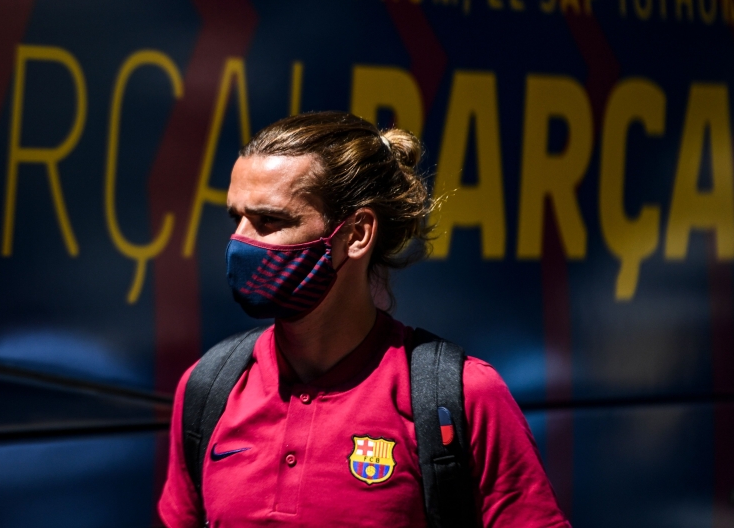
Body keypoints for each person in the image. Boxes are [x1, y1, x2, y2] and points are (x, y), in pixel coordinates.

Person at [159, 112, 570, 527]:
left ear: (356, 233)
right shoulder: (208, 388)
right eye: (237, 218)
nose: (241, 241)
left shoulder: (463, 397)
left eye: (270, 221)